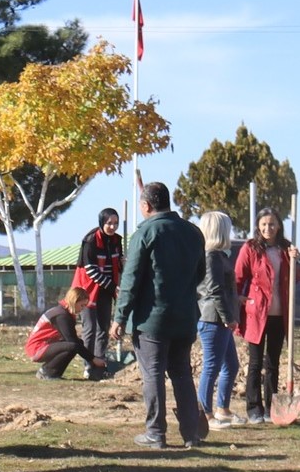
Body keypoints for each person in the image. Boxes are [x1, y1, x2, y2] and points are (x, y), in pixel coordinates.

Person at [111, 182, 207, 450]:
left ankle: (156, 432)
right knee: (182, 375)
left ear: (145, 206)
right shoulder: (193, 232)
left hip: (152, 319)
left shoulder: (146, 233)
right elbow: (200, 273)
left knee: (153, 374)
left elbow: (131, 279)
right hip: (185, 316)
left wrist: (120, 317)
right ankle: (191, 435)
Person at [234, 207, 294, 425]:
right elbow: (238, 277)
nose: (268, 228)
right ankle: (253, 408)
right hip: (257, 313)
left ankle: (271, 407)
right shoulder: (251, 248)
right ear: (258, 226)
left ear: (278, 226)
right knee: (255, 362)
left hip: (279, 314)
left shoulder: (286, 249)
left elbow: (295, 278)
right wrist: (238, 298)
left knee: (273, 363)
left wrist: (294, 260)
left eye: (272, 224)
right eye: (264, 225)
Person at [194, 210, 240, 424]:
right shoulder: (210, 255)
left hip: (220, 319)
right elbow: (214, 290)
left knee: (231, 365)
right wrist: (228, 317)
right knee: (212, 366)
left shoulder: (219, 255)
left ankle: (223, 408)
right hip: (213, 319)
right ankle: (204, 413)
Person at [76, 209, 124, 371]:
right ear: (102, 222)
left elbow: (118, 265)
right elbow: (91, 271)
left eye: (115, 223)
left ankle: (100, 363)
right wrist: (113, 287)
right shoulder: (90, 241)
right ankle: (88, 365)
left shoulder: (117, 240)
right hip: (87, 291)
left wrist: (124, 264)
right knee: (90, 329)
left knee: (103, 328)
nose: (112, 226)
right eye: (109, 223)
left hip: (106, 291)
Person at [26, 286, 103, 380]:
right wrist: (93, 359)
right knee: (74, 346)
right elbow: (72, 341)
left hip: (45, 345)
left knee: (77, 344)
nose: (83, 309)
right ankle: (46, 372)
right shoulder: (61, 316)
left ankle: (55, 374)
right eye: (82, 305)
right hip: (37, 348)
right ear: (74, 301)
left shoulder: (63, 312)